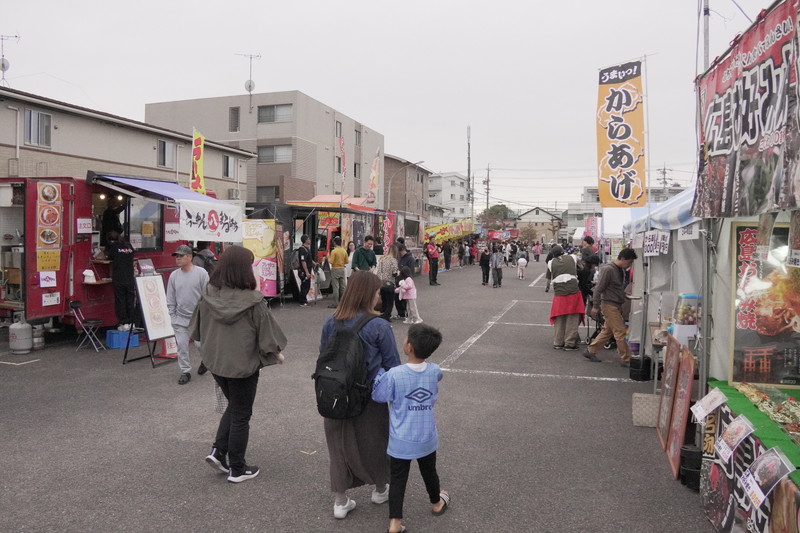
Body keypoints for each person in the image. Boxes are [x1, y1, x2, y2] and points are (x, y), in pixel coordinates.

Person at [188, 245, 287, 484]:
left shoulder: (208, 293)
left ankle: (218, 451)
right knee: (242, 413)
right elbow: (269, 338)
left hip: (215, 362)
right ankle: (238, 468)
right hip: (243, 366)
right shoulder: (253, 301)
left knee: (234, 406)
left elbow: (197, 330)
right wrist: (277, 354)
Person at [319, 271, 401, 520]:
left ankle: (340, 501)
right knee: (375, 442)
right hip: (370, 396)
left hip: (334, 393)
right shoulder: (379, 325)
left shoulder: (331, 322)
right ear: (368, 294)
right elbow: (393, 365)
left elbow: (324, 355)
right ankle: (380, 489)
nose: (379, 296)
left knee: (339, 446)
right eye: (377, 292)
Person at [372, 323, 450, 533]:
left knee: (398, 479)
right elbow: (436, 376)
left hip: (401, 439)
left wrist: (379, 374)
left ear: (409, 347)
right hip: (426, 437)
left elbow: (378, 396)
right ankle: (436, 503)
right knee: (429, 472)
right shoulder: (434, 371)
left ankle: (395, 522)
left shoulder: (394, 374)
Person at [583, 248, 638, 366]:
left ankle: (591, 350)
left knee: (607, 331)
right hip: (609, 305)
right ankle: (627, 358)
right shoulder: (609, 269)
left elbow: (614, 288)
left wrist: (624, 295)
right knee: (620, 331)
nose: (629, 265)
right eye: (629, 262)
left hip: (615, 304)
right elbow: (599, 288)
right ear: (623, 258)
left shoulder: (619, 270)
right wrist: (595, 306)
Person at [167, 244, 210, 385]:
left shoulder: (201, 273)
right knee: (182, 345)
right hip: (180, 318)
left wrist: (206, 314)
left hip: (198, 317)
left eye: (181, 256)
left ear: (190, 257)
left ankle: (206, 360)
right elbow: (170, 297)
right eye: (176, 256)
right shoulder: (174, 275)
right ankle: (185, 371)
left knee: (200, 344)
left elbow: (207, 295)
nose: (178, 258)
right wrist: (172, 315)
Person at [547, 245, 584, 351]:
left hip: (559, 294)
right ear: (563, 251)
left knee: (559, 318)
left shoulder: (550, 263)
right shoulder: (572, 257)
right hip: (573, 292)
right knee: (572, 317)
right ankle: (569, 343)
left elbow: (549, 279)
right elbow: (581, 267)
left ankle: (558, 342)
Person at [105, 230, 135, 331]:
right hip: (130, 277)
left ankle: (123, 322)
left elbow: (109, 257)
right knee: (130, 300)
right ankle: (131, 322)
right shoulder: (128, 245)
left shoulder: (114, 246)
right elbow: (133, 255)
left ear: (111, 240)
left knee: (120, 300)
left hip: (119, 278)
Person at [377, 245, 399, 321]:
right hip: (389, 283)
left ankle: (382, 315)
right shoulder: (393, 260)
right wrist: (398, 273)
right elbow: (394, 273)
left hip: (381, 283)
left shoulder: (382, 259)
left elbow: (379, 272)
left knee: (384, 301)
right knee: (390, 302)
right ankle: (386, 317)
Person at [394, 244, 416, 319]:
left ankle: (408, 314)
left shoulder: (410, 259)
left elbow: (411, 271)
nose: (399, 254)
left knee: (405, 299)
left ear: (403, 250)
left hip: (406, 281)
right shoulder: (399, 258)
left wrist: (409, 280)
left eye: (399, 252)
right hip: (399, 280)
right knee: (397, 298)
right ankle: (401, 313)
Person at [328, 236, 348, 309]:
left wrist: (328, 257)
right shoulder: (344, 251)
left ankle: (336, 303)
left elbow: (331, 261)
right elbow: (347, 261)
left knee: (336, 287)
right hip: (342, 269)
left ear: (334, 243)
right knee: (342, 287)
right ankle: (343, 303)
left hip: (335, 269)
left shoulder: (334, 251)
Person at [296, 234, 315, 307]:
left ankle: (304, 300)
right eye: (308, 239)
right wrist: (306, 272)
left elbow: (309, 259)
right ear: (305, 240)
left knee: (307, 285)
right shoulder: (302, 249)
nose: (310, 240)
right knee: (304, 285)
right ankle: (302, 301)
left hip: (308, 269)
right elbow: (303, 261)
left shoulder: (307, 248)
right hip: (303, 271)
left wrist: (314, 263)